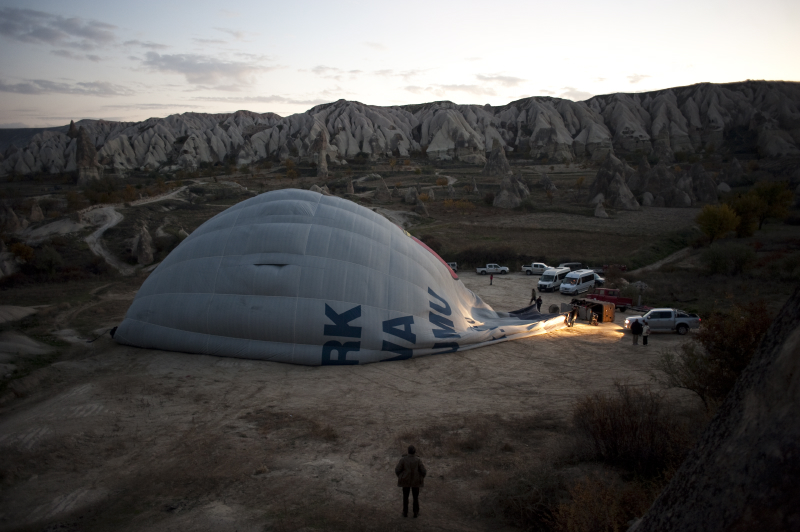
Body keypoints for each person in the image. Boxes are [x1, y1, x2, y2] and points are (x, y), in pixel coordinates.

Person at [395, 445, 426, 518]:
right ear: (414, 451)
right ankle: (415, 512)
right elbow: (423, 471)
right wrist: (420, 478)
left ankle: (405, 512)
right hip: (416, 482)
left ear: (408, 451)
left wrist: (401, 477)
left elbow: (397, 470)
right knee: (415, 497)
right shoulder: (418, 460)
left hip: (405, 481)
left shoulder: (403, 459)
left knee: (405, 497)